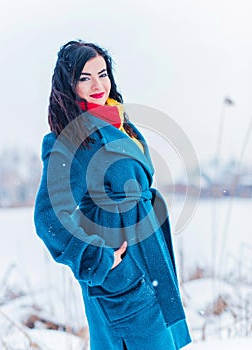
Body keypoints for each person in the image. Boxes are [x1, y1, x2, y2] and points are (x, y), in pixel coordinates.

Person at [34, 39, 192, 350]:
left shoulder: (121, 124)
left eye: (102, 74)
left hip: (149, 254)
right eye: (85, 77)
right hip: (119, 268)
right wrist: (98, 259)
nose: (97, 84)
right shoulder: (69, 138)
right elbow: (49, 217)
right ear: (69, 83)